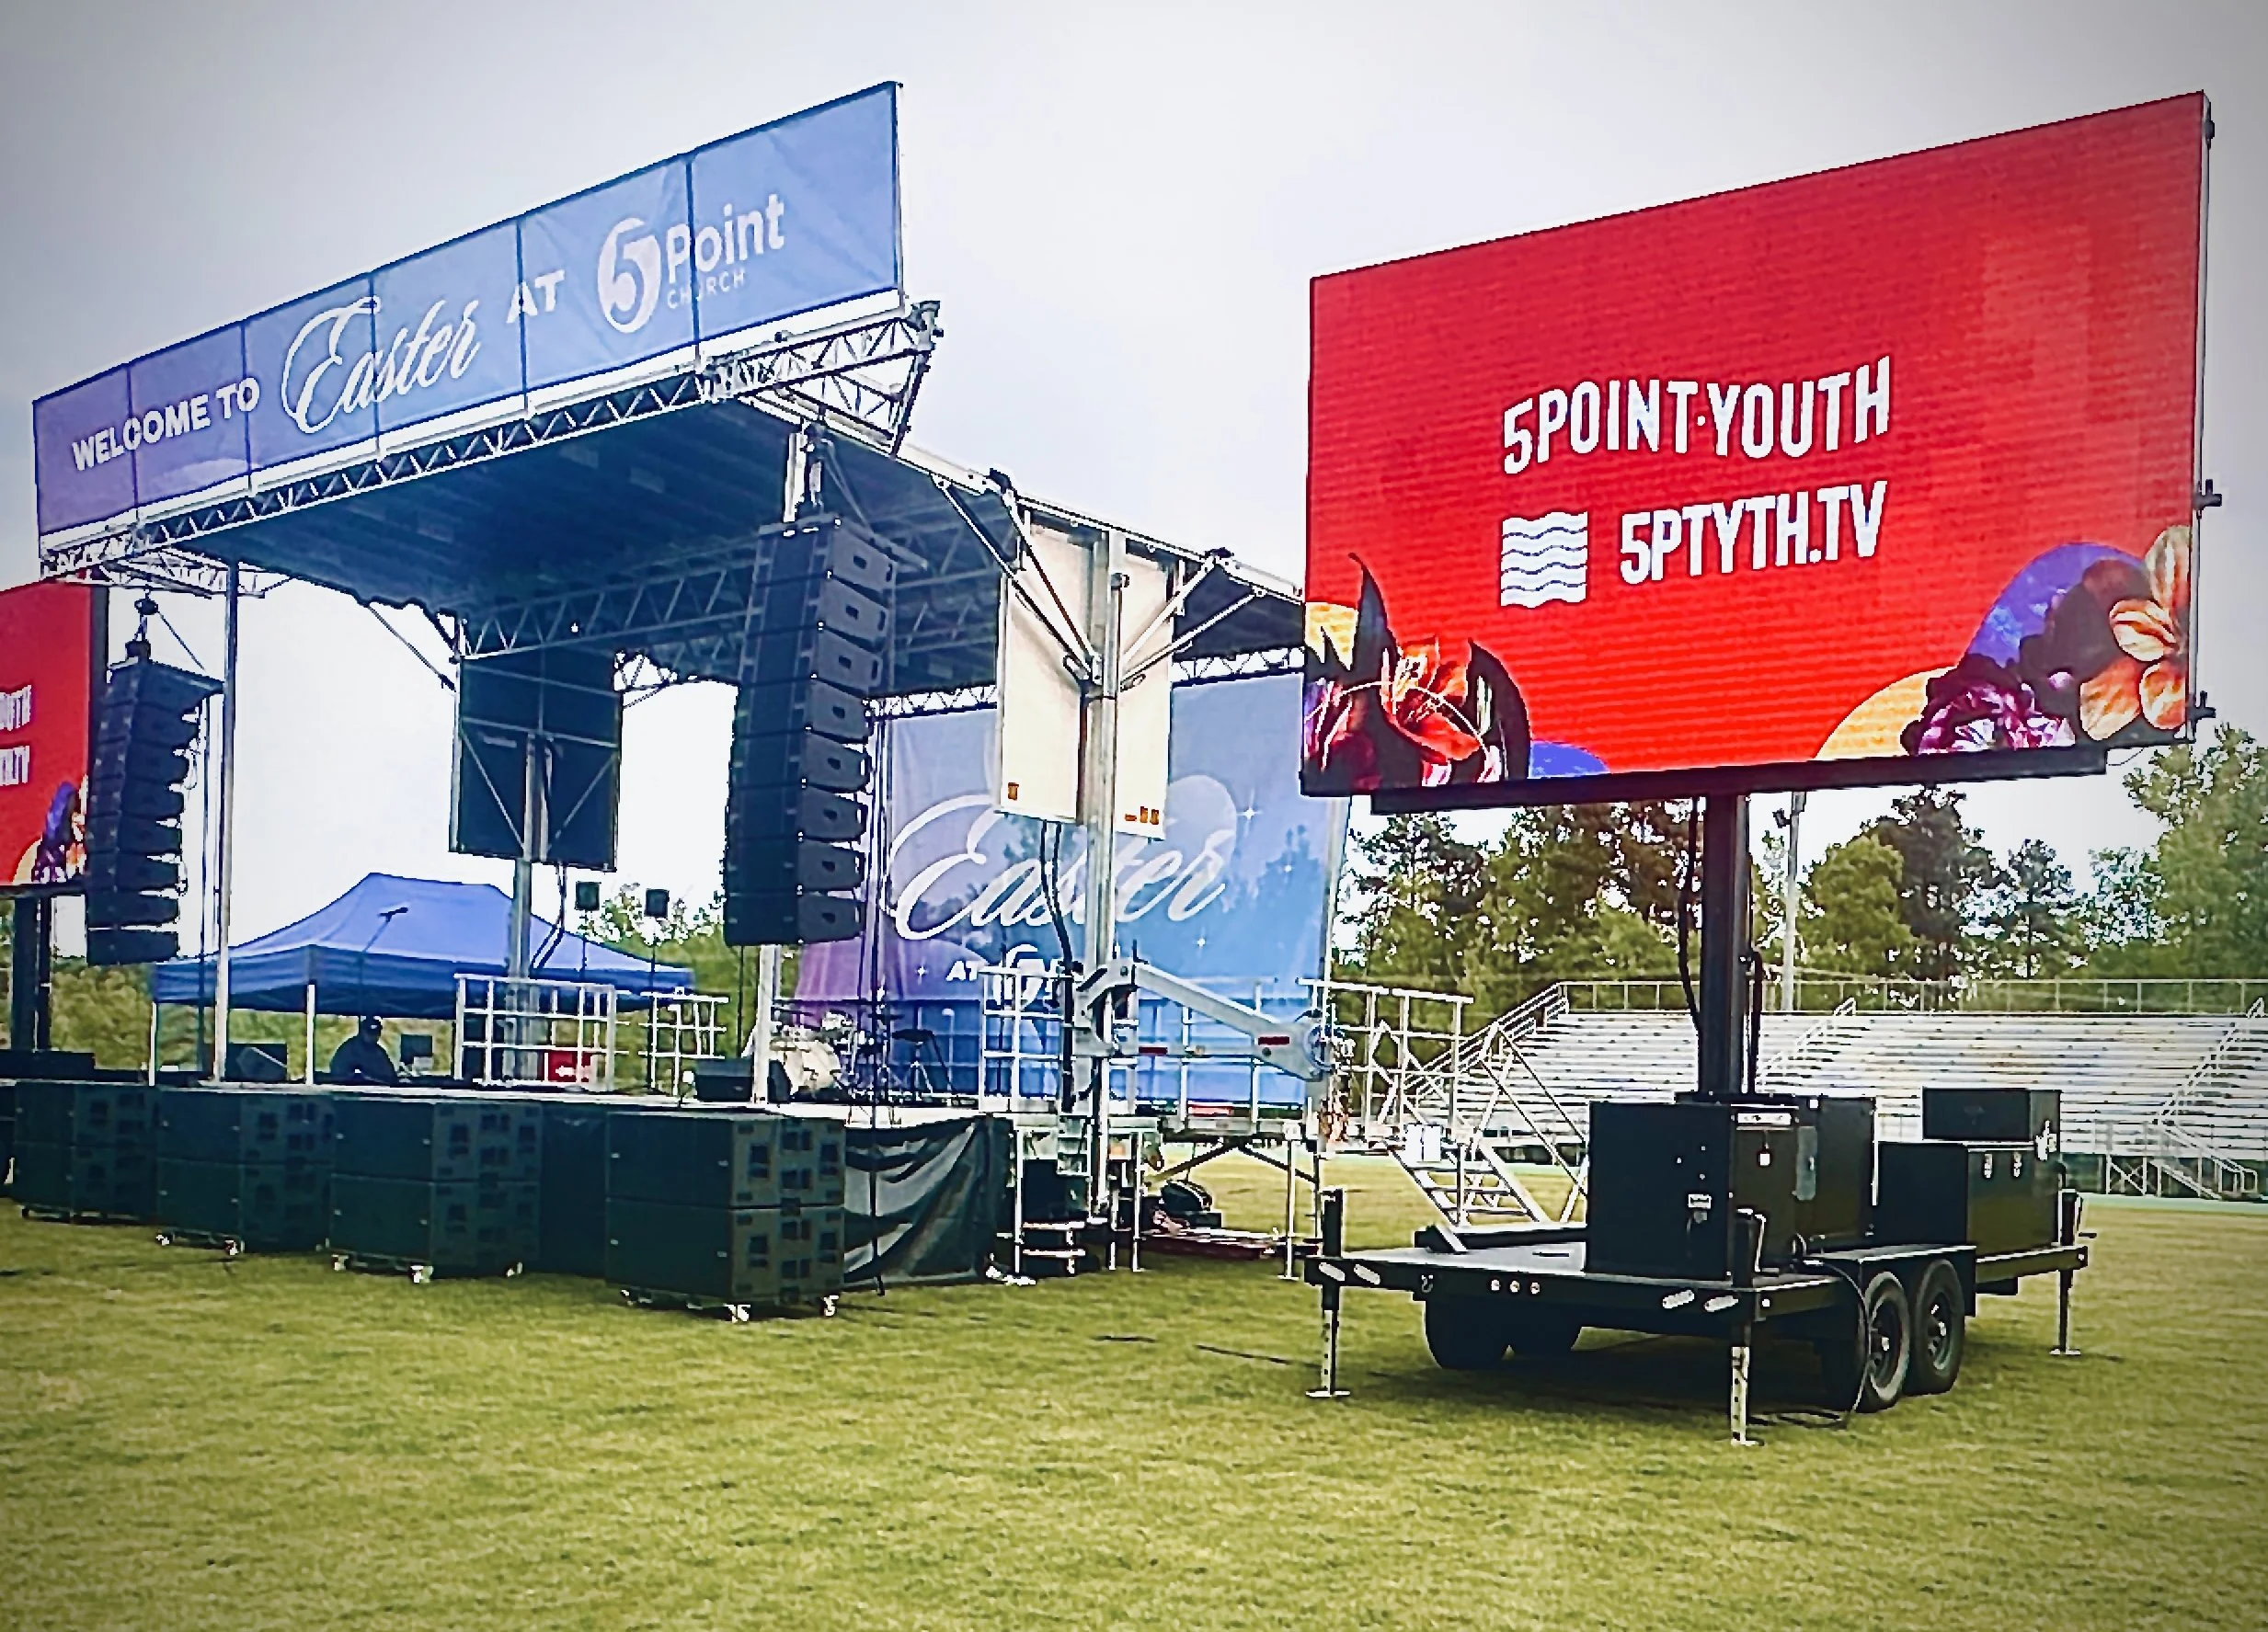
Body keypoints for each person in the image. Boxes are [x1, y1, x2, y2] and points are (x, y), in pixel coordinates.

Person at [328, 1015, 399, 1085]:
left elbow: (391, 1077)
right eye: (369, 1031)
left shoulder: (380, 1053)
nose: (373, 1035)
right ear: (362, 1031)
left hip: (380, 1092)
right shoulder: (348, 1050)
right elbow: (337, 1075)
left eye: (377, 1032)